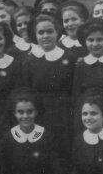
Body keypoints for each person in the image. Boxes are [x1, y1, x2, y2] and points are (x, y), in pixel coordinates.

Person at [22, 13, 78, 155]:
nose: (45, 36)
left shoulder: (69, 57)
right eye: (41, 32)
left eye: (49, 31)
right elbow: (26, 91)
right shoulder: (29, 60)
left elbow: (75, 89)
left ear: (57, 32)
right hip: (40, 112)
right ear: (35, 35)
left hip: (64, 113)